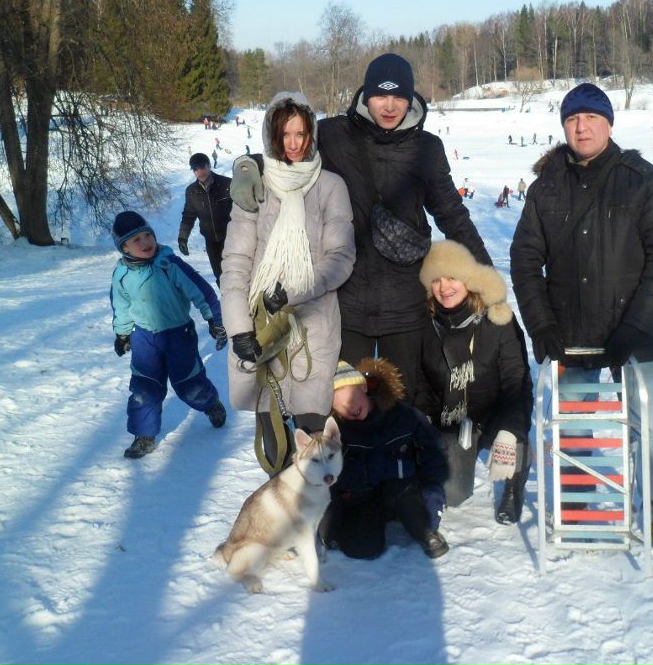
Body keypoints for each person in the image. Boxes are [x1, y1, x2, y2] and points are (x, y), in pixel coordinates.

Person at [509, 82, 653, 557]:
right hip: (571, 333)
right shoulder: (547, 187)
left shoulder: (642, 179)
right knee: (573, 428)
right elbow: (525, 259)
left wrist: (635, 326)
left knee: (650, 428)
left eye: (590, 117)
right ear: (564, 126)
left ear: (608, 123)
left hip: (637, 333)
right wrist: (542, 326)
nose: (581, 126)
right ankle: (583, 505)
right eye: (572, 119)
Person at [314, 53, 490, 396]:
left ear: (410, 99)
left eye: (398, 97)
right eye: (381, 95)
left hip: (406, 306)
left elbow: (452, 213)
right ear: (367, 96)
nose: (390, 106)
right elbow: (289, 150)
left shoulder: (427, 149)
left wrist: (485, 273)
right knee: (348, 408)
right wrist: (250, 168)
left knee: (404, 406)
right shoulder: (334, 136)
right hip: (347, 303)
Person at [221, 91, 355, 468]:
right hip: (262, 331)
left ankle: (323, 526)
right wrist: (238, 328)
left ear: (312, 133)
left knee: (317, 448)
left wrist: (296, 291)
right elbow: (235, 261)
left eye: (301, 134)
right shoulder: (255, 188)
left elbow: (341, 258)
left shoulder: (330, 187)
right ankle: (284, 524)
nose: (294, 144)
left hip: (313, 329)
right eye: (285, 135)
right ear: (272, 137)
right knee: (276, 450)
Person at [414, 241, 532, 524]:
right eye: (437, 280)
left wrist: (509, 430)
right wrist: (427, 424)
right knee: (453, 494)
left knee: (515, 435)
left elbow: (517, 381)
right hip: (451, 422)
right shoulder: (424, 325)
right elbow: (421, 385)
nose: (444, 287)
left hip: (494, 413)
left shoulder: (497, 319)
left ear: (469, 280)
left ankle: (514, 488)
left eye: (452, 277)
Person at [110, 210, 228, 459]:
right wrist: (122, 334)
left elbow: (201, 291)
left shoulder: (169, 264)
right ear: (124, 248)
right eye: (137, 240)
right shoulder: (121, 276)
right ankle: (144, 435)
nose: (146, 242)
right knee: (144, 387)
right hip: (144, 338)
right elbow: (121, 307)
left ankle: (209, 402)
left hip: (178, 334)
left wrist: (215, 319)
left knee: (189, 382)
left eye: (147, 235)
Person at [320, 357, 450, 560]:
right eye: (341, 409)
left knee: (415, 505)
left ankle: (425, 533)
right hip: (362, 495)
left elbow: (435, 452)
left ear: (363, 387)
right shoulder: (338, 431)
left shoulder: (402, 414)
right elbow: (336, 474)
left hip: (400, 490)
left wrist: (433, 492)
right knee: (361, 548)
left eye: (351, 400)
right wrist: (383, 467)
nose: (350, 410)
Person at [177, 152, 231, 284]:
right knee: (220, 276)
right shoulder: (192, 191)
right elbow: (188, 215)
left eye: (202, 167)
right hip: (211, 241)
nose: (199, 171)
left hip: (231, 237)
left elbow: (241, 209)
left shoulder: (227, 184)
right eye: (195, 169)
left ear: (209, 165)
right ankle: (227, 302)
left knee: (236, 272)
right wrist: (183, 237)